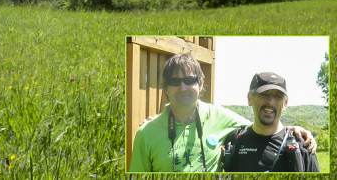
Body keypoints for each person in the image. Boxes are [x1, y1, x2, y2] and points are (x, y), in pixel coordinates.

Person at [129, 53, 316, 172]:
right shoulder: (146, 133)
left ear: (201, 83)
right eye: (174, 81)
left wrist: (290, 130)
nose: (183, 87)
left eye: (189, 79)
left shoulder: (221, 118)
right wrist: (153, 124)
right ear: (165, 88)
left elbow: (261, 126)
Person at [220, 72, 320, 172]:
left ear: (285, 103)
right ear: (250, 99)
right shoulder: (233, 140)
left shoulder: (302, 145)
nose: (271, 101)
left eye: (278, 96)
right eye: (264, 95)